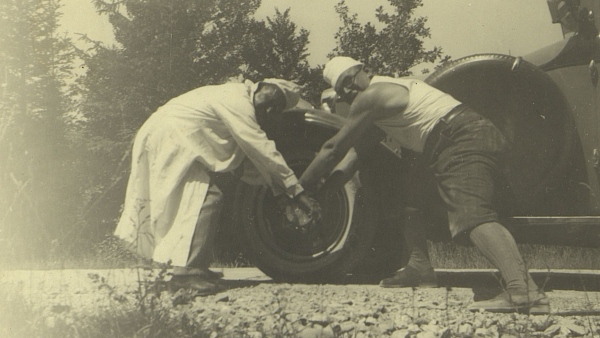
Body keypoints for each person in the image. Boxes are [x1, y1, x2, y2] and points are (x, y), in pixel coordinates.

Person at [298, 56, 549, 313]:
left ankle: (523, 291)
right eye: (341, 90)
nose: (349, 91)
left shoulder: (373, 95)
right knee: (408, 195)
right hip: (458, 138)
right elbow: (356, 154)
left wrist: (300, 189)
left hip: (460, 137)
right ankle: (419, 268)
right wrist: (326, 189)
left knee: (472, 215)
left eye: (349, 80)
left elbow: (333, 148)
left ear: (366, 71)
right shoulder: (381, 106)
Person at [115, 78, 321, 296]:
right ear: (260, 87)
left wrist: (281, 193)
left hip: (168, 132)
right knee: (206, 197)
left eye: (276, 107)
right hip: (169, 134)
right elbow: (261, 149)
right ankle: (187, 275)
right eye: (271, 101)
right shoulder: (239, 102)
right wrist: (297, 191)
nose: (270, 109)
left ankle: (193, 269)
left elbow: (248, 165)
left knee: (193, 200)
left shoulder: (239, 99)